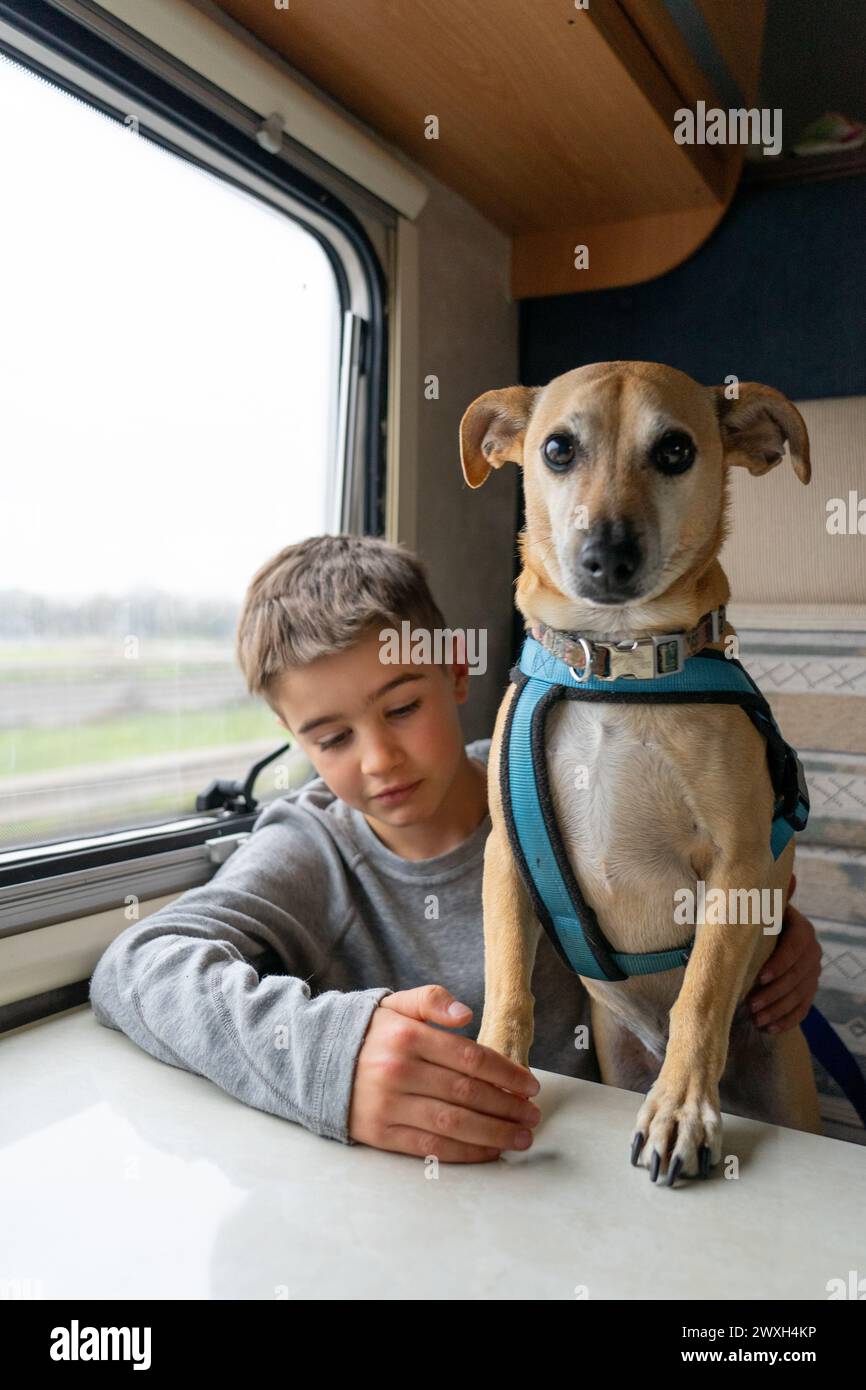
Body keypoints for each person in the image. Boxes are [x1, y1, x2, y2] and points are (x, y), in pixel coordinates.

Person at [88, 534, 822, 1164]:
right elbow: (137, 964)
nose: (378, 760)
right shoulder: (314, 849)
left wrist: (773, 944)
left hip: (624, 1152)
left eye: (402, 708)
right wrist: (334, 1060)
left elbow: (711, 884)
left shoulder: (561, 780)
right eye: (332, 738)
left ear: (457, 673)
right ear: (294, 740)